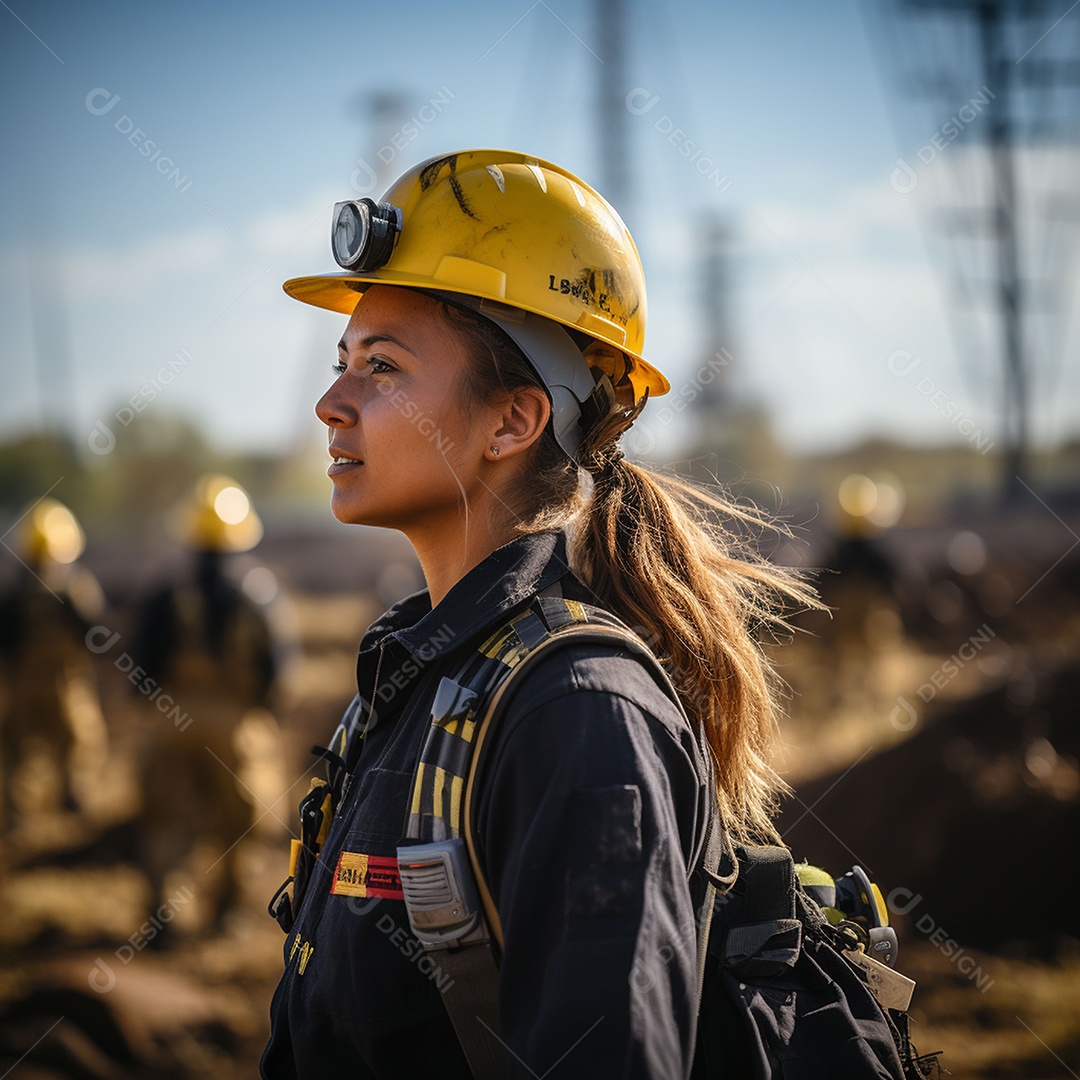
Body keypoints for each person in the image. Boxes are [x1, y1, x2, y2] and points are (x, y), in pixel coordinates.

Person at [260, 150, 816, 1079]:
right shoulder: (423, 675)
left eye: (382, 367)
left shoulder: (580, 714)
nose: (330, 403)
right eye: (341, 363)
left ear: (512, 422)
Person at [133, 474, 281, 932]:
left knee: (165, 819)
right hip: (234, 724)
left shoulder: (164, 592)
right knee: (238, 821)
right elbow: (276, 669)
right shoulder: (257, 594)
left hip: (171, 718)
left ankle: (161, 919)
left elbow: (140, 664)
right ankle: (225, 913)